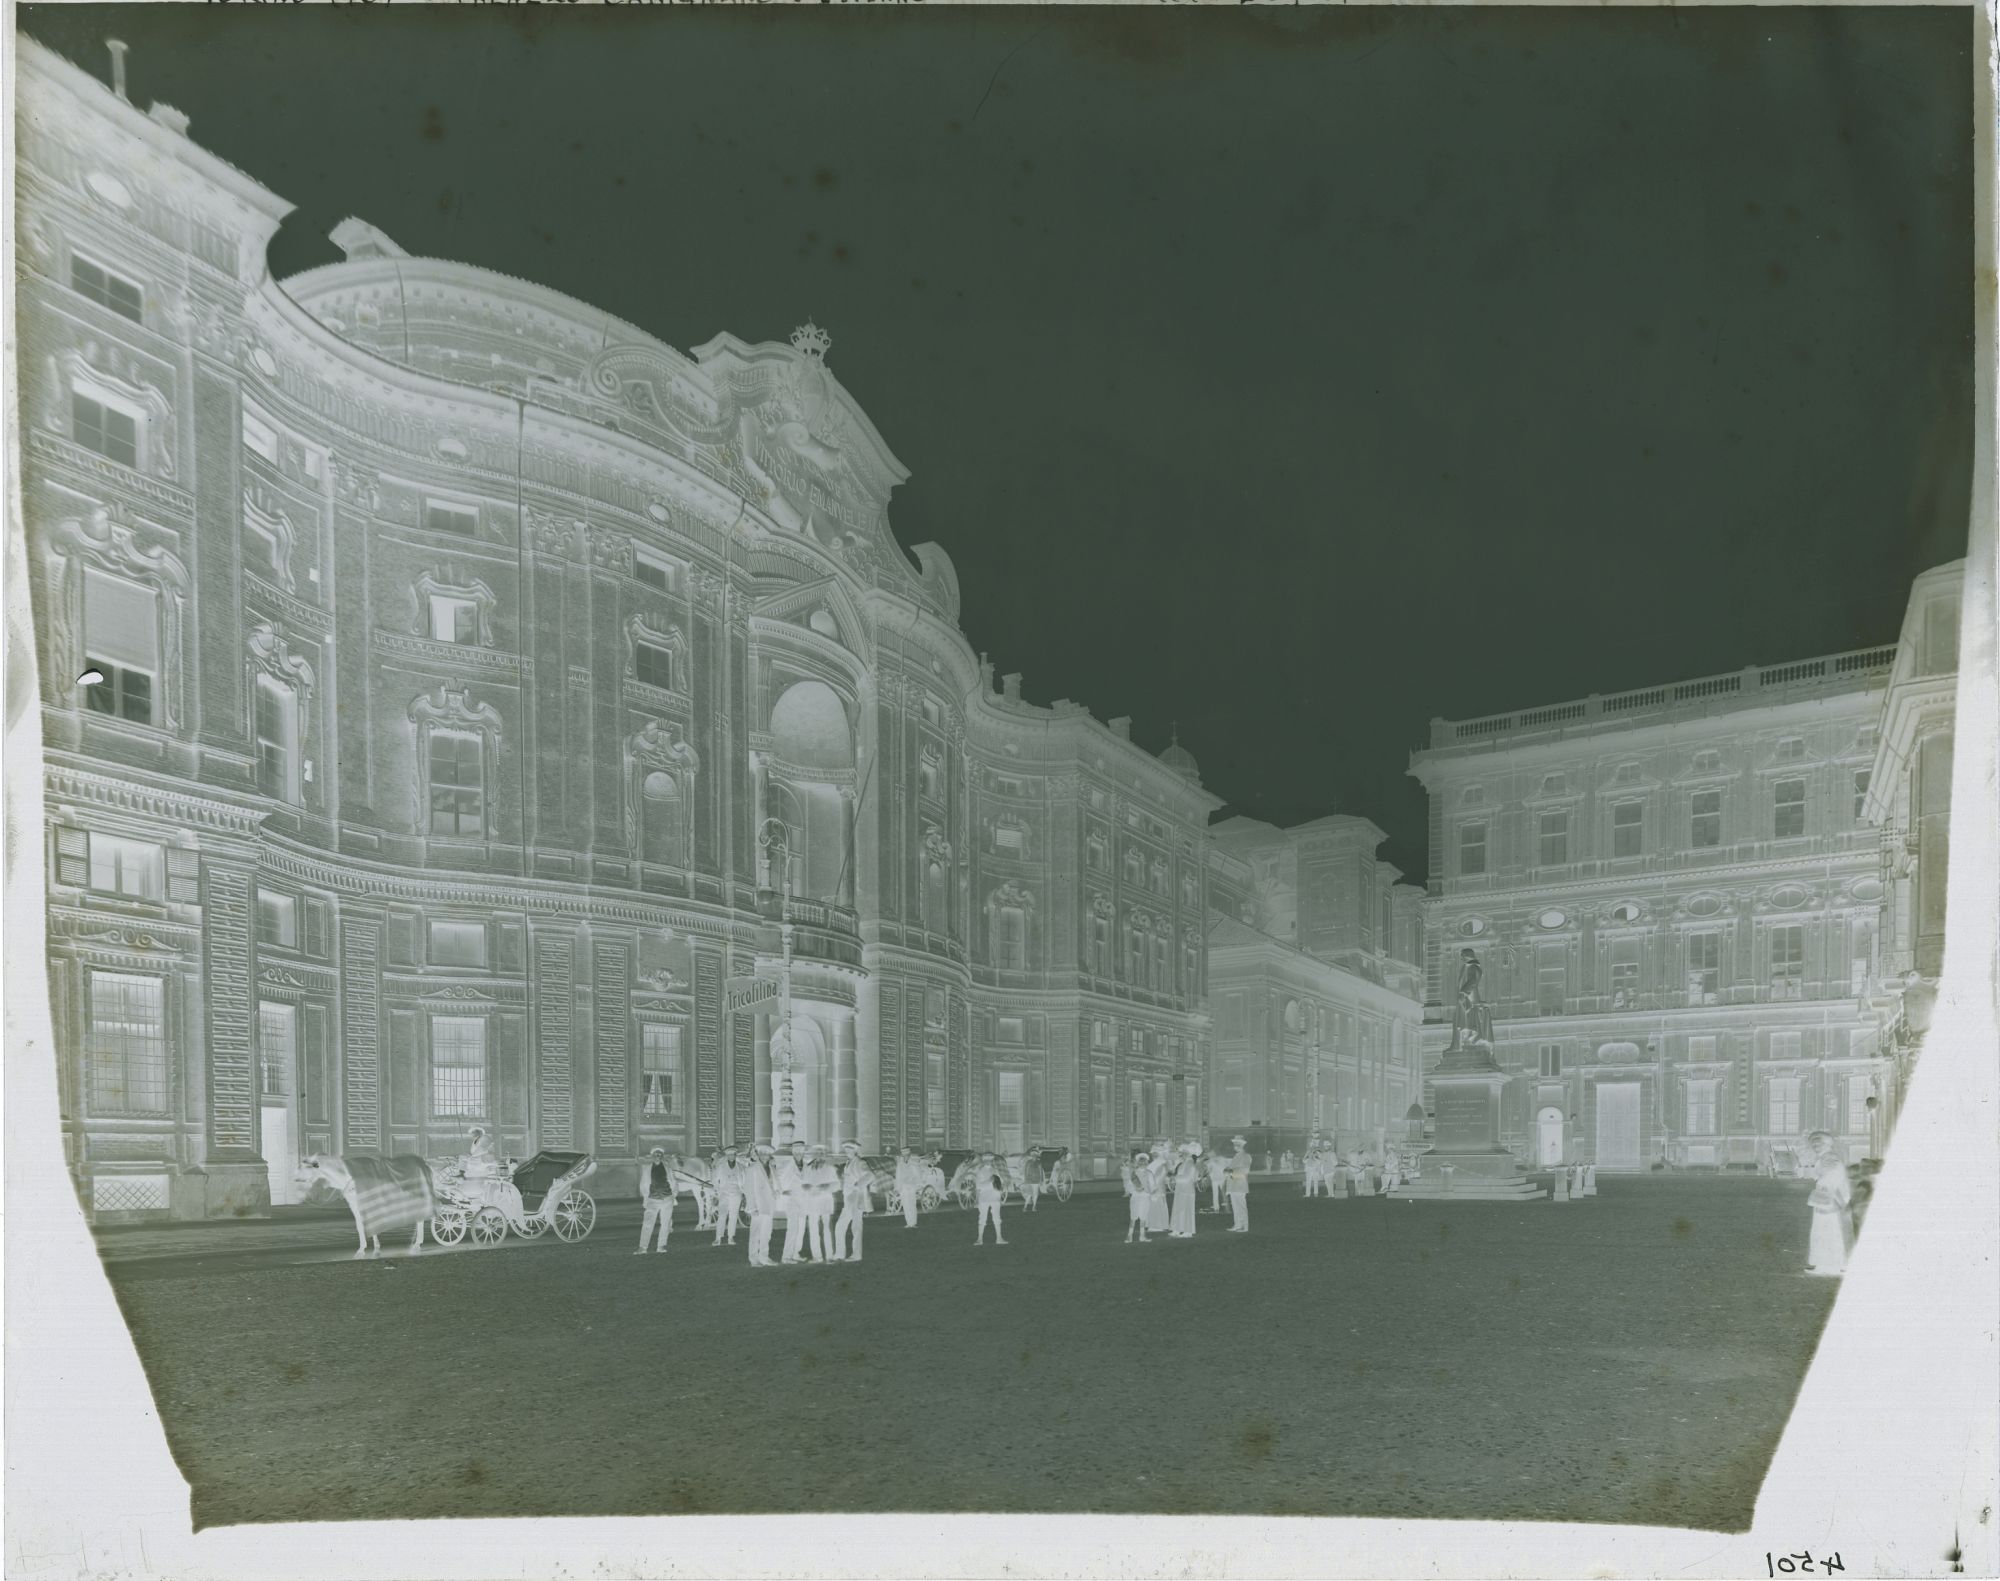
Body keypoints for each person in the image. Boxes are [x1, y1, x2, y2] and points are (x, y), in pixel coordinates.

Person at [1804, 1132, 1855, 1277]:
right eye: (1813, 1144)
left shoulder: (1830, 1157)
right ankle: (1825, 1263)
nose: (1815, 1146)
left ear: (1828, 1144)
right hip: (1826, 1198)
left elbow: (1832, 1177)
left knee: (1829, 1231)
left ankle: (1832, 1264)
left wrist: (1821, 1182)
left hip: (1831, 1199)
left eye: (1818, 1143)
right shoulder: (1825, 1157)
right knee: (1824, 1231)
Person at [833, 1141, 871, 1262]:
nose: (847, 1152)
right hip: (848, 1199)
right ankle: (839, 1253)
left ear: (855, 1151)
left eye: (850, 1150)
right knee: (840, 1226)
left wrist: (857, 1185)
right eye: (846, 1150)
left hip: (856, 1198)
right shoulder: (848, 1163)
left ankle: (856, 1254)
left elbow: (870, 1175)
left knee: (856, 1227)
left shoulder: (860, 1162)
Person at [775, 1140, 810, 1265]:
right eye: (796, 1151)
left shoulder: (806, 1165)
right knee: (793, 1228)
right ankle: (786, 1256)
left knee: (801, 1229)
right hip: (791, 1201)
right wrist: (782, 1191)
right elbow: (776, 1177)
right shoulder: (787, 1165)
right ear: (793, 1152)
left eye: (801, 1151)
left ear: (804, 1152)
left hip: (803, 1201)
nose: (799, 1153)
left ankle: (796, 1253)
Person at [743, 1145, 778, 1268]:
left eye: (767, 1154)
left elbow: (776, 1184)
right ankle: (753, 1258)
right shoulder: (752, 1169)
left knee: (767, 1233)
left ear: (770, 1156)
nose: (764, 1156)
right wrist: (752, 1207)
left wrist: (777, 1192)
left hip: (769, 1205)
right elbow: (748, 1190)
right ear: (758, 1155)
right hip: (758, 1206)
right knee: (755, 1233)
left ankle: (764, 1256)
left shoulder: (772, 1168)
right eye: (762, 1154)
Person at [803, 1146, 839, 1263]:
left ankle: (829, 1256)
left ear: (825, 1155)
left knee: (827, 1228)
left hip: (824, 1200)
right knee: (813, 1228)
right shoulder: (807, 1168)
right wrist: (808, 1187)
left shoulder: (830, 1168)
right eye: (817, 1153)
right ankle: (816, 1256)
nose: (819, 1155)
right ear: (813, 1154)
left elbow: (836, 1185)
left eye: (821, 1153)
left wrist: (824, 1187)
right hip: (812, 1201)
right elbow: (803, 1183)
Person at [636, 1146, 673, 1255]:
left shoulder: (667, 1167)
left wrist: (673, 1195)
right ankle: (643, 1247)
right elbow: (643, 1184)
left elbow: (673, 1182)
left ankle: (661, 1246)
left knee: (665, 1224)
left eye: (660, 1154)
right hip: (653, 1199)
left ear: (662, 1156)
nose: (658, 1156)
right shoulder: (647, 1168)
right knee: (647, 1223)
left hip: (667, 1199)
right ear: (652, 1156)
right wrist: (645, 1198)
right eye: (656, 1154)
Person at [972, 1151, 1008, 1246]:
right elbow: (978, 1186)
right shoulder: (980, 1171)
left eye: (990, 1159)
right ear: (983, 1160)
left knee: (997, 1218)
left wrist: (1001, 1192)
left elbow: (1000, 1183)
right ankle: (979, 1239)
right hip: (984, 1198)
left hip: (995, 1197)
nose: (988, 1161)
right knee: (982, 1218)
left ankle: (999, 1238)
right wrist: (989, 1181)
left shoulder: (995, 1170)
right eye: (986, 1159)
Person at [712, 1146, 743, 1246]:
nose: (731, 1157)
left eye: (733, 1155)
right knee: (722, 1216)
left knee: (733, 1216)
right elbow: (715, 1180)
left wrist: (743, 1192)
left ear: (735, 1155)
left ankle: (730, 1237)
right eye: (729, 1155)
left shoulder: (740, 1167)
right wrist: (717, 1192)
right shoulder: (721, 1167)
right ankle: (718, 1238)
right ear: (727, 1156)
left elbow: (744, 1181)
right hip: (724, 1193)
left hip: (736, 1194)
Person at [1170, 1143, 1199, 1238]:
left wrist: (1175, 1178)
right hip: (1180, 1189)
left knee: (1187, 1210)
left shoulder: (1190, 1164)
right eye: (1183, 1152)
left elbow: (1188, 1178)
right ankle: (1177, 1229)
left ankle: (1188, 1231)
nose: (1183, 1154)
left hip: (1187, 1190)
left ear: (1190, 1153)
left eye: (1185, 1152)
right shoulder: (1183, 1163)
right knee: (1178, 1209)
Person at [1123, 1150, 1153, 1244]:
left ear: (1147, 1163)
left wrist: (1146, 1190)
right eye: (1140, 1162)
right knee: (1133, 1216)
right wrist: (1135, 1190)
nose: (1142, 1164)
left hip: (1145, 1197)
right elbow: (1129, 1185)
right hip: (1136, 1197)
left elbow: (1153, 1185)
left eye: (1144, 1162)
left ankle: (1142, 1236)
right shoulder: (1134, 1173)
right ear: (1138, 1163)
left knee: (1143, 1216)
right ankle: (1129, 1235)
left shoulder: (1149, 1173)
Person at [1226, 1135, 1252, 1232]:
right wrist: (1227, 1171)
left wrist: (1231, 1172)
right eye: (1234, 1144)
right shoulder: (1236, 1156)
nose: (1235, 1146)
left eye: (1237, 1144)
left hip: (1240, 1185)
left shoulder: (1246, 1156)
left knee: (1241, 1206)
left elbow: (1245, 1170)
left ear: (1242, 1145)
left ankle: (1245, 1226)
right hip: (1233, 1185)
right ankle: (1237, 1224)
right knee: (1235, 1207)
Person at [1144, 1147, 1171, 1236]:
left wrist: (1154, 1188)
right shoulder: (1156, 1163)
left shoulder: (1162, 1164)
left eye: (1156, 1153)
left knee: (1157, 1204)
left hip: (1157, 1188)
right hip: (1153, 1188)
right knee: (1153, 1206)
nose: (1154, 1154)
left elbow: (1160, 1177)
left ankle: (1158, 1225)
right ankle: (1154, 1225)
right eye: (1153, 1153)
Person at [894, 1146, 923, 1228]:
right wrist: (897, 1188)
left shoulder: (914, 1163)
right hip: (903, 1187)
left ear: (909, 1154)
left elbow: (918, 1175)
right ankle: (908, 1222)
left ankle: (913, 1222)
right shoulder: (900, 1164)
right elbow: (898, 1176)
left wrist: (915, 1184)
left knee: (912, 1204)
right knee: (905, 1204)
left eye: (907, 1154)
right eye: (904, 1154)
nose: (906, 1156)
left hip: (911, 1186)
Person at [1205, 1148, 1227, 1213]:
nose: (1210, 1155)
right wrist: (1207, 1174)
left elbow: (1225, 1167)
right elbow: (1209, 1170)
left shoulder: (1221, 1158)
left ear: (1214, 1153)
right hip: (1215, 1179)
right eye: (1209, 1154)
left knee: (1222, 1192)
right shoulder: (1210, 1161)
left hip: (1221, 1178)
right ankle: (1216, 1207)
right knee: (1216, 1193)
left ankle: (1224, 1204)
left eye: (1211, 1153)